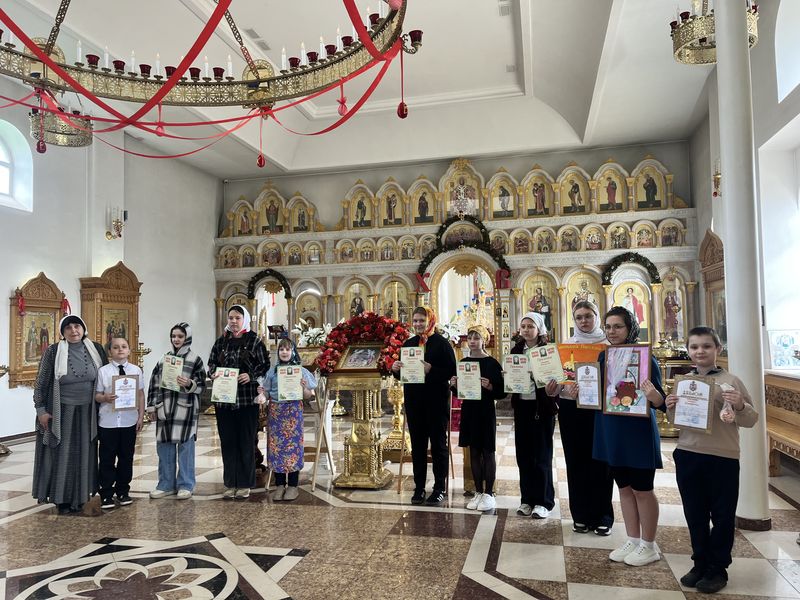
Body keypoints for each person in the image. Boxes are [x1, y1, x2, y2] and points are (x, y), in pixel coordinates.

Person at [665, 327, 758, 594]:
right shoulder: (684, 381)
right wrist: (671, 407)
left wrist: (739, 405)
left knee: (722, 515)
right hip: (688, 453)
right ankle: (700, 563)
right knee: (694, 513)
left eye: (706, 346)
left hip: (722, 456)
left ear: (718, 349)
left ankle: (718, 568)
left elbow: (751, 419)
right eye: (694, 347)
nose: (700, 351)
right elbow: (675, 421)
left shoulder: (731, 380)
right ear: (688, 350)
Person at [593, 306, 666, 566]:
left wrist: (652, 394)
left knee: (642, 490)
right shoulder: (604, 356)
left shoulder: (646, 357)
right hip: (612, 430)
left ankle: (649, 545)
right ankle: (633, 540)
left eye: (618, 326)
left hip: (637, 432)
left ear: (630, 328)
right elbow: (599, 392)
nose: (612, 331)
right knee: (623, 488)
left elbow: (660, 401)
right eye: (608, 326)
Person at [32, 315, 108, 513]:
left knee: (84, 455)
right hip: (61, 411)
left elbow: (107, 377)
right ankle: (62, 499)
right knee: (62, 455)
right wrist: (41, 410)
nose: (74, 331)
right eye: (68, 328)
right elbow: (41, 383)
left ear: (83, 328)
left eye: (77, 326)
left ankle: (81, 497)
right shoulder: (53, 351)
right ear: (62, 332)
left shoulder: (96, 349)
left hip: (88, 411)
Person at [558, 301, 614, 535]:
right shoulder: (567, 346)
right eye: (579, 317)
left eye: (588, 316)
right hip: (572, 410)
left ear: (597, 317)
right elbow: (560, 382)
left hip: (601, 412)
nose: (584, 321)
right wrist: (562, 389)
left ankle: (603, 516)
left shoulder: (609, 345)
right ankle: (580, 515)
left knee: (601, 463)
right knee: (576, 461)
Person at [392, 307, 457, 505]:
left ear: (430, 320)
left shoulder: (442, 344)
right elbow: (404, 374)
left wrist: (432, 370)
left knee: (438, 445)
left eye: (422, 320)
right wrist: (395, 369)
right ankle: (419, 487)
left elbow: (452, 372)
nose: (418, 324)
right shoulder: (409, 344)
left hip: (436, 402)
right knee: (418, 446)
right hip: (414, 402)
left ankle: (439, 488)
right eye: (416, 320)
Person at [208, 305, 270, 500]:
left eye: (237, 318)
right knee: (228, 442)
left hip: (246, 400)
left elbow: (265, 365)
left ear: (245, 320)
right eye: (231, 318)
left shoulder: (254, 340)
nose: (234, 321)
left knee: (246, 441)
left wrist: (250, 375)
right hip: (224, 401)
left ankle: (244, 483)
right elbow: (212, 363)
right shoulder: (221, 341)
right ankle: (230, 483)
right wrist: (213, 373)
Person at [147, 323, 207, 500]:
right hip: (165, 409)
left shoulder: (195, 360)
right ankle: (165, 484)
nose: (176, 339)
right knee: (164, 448)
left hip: (185, 411)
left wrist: (189, 383)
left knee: (186, 449)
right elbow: (154, 384)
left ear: (187, 337)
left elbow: (202, 385)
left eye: (180, 336)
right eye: (173, 336)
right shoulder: (163, 359)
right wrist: (152, 406)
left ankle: (186, 485)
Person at [448, 325, 504, 511]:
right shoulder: (463, 363)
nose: (472, 341)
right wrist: (454, 385)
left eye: (476, 338)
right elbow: (460, 392)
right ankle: (478, 491)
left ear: (484, 340)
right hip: (469, 410)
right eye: (470, 338)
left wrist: (490, 387)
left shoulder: (492, 363)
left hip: (485, 411)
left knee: (487, 451)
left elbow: (502, 391)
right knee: (473, 451)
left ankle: (489, 494)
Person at [510, 312, 560, 519]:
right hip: (522, 406)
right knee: (524, 455)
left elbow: (556, 377)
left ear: (539, 329)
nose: (526, 330)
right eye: (523, 326)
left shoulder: (547, 351)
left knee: (542, 456)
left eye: (530, 326)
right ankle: (527, 499)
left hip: (542, 407)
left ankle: (544, 501)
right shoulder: (515, 350)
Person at [257, 338, 317, 502]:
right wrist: (262, 394)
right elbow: (266, 393)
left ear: (293, 352)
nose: (284, 352)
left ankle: (293, 485)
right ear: (278, 352)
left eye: (287, 349)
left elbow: (308, 395)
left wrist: (304, 387)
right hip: (276, 413)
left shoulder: (300, 371)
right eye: (281, 349)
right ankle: (280, 485)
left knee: (293, 447)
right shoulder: (272, 372)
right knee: (276, 448)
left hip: (293, 412)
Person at [94, 337, 145, 509]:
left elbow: (140, 395)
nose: (120, 350)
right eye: (115, 347)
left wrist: (140, 416)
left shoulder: (136, 370)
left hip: (128, 421)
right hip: (108, 422)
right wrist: (105, 398)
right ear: (110, 352)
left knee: (126, 458)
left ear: (129, 350)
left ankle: (123, 491)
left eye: (124, 346)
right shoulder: (103, 371)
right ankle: (106, 493)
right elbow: (97, 395)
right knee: (107, 458)